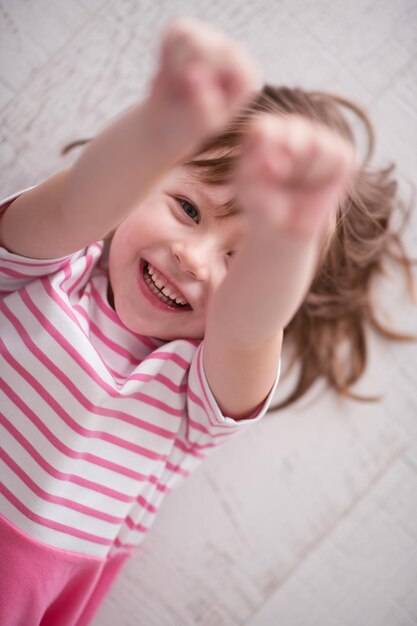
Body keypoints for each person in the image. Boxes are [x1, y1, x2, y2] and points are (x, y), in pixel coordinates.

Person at [0, 17, 413, 626]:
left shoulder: (192, 397)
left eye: (241, 261)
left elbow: (247, 327)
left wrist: (290, 233)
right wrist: (162, 125)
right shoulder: (50, 264)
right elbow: (75, 201)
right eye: (187, 207)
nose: (191, 256)